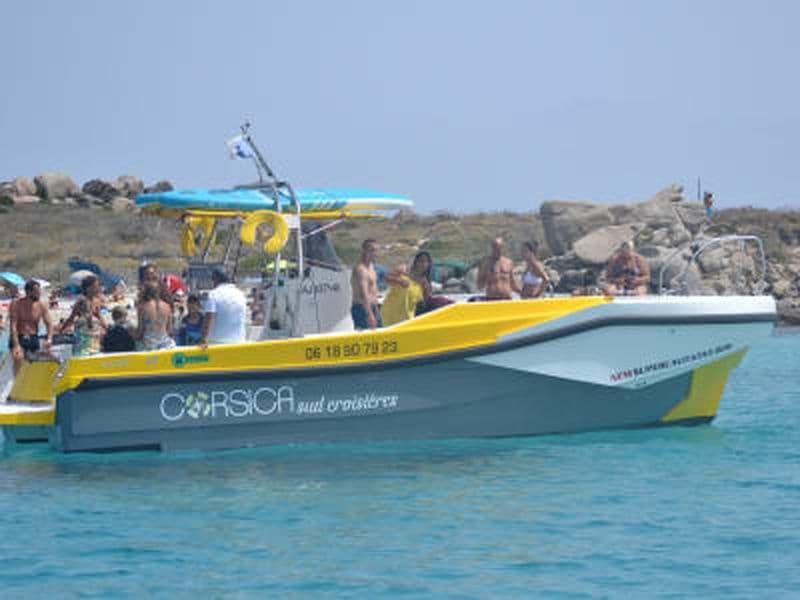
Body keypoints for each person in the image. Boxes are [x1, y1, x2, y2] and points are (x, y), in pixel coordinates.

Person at [8, 280, 53, 374]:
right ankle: (17, 383)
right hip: (19, 337)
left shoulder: (41, 305)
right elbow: (13, 326)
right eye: (36, 291)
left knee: (49, 357)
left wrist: (49, 339)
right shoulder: (16, 304)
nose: (39, 293)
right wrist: (16, 346)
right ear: (28, 292)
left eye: (39, 291)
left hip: (33, 337)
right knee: (18, 357)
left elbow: (49, 323)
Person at [381, 251, 433, 326]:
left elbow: (424, 303)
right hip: (390, 313)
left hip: (406, 318)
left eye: (426, 262)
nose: (423, 264)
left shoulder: (425, 283)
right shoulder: (404, 270)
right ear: (416, 262)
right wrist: (399, 281)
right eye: (421, 261)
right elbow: (386, 278)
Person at [199, 268, 247, 348]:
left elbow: (209, 318)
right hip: (239, 341)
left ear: (216, 279)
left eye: (212, 278)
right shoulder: (240, 294)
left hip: (217, 343)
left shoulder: (214, 294)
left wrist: (203, 339)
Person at [350, 239, 382, 329]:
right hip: (362, 309)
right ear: (364, 250)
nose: (374, 253)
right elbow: (363, 294)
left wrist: (376, 309)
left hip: (373, 307)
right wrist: (370, 315)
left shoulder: (372, 267)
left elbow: (373, 291)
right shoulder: (361, 269)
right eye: (371, 250)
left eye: (376, 250)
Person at [135, 284, 175, 351]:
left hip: (149, 344)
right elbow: (170, 330)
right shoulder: (167, 306)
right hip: (165, 344)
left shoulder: (142, 307)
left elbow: (140, 331)